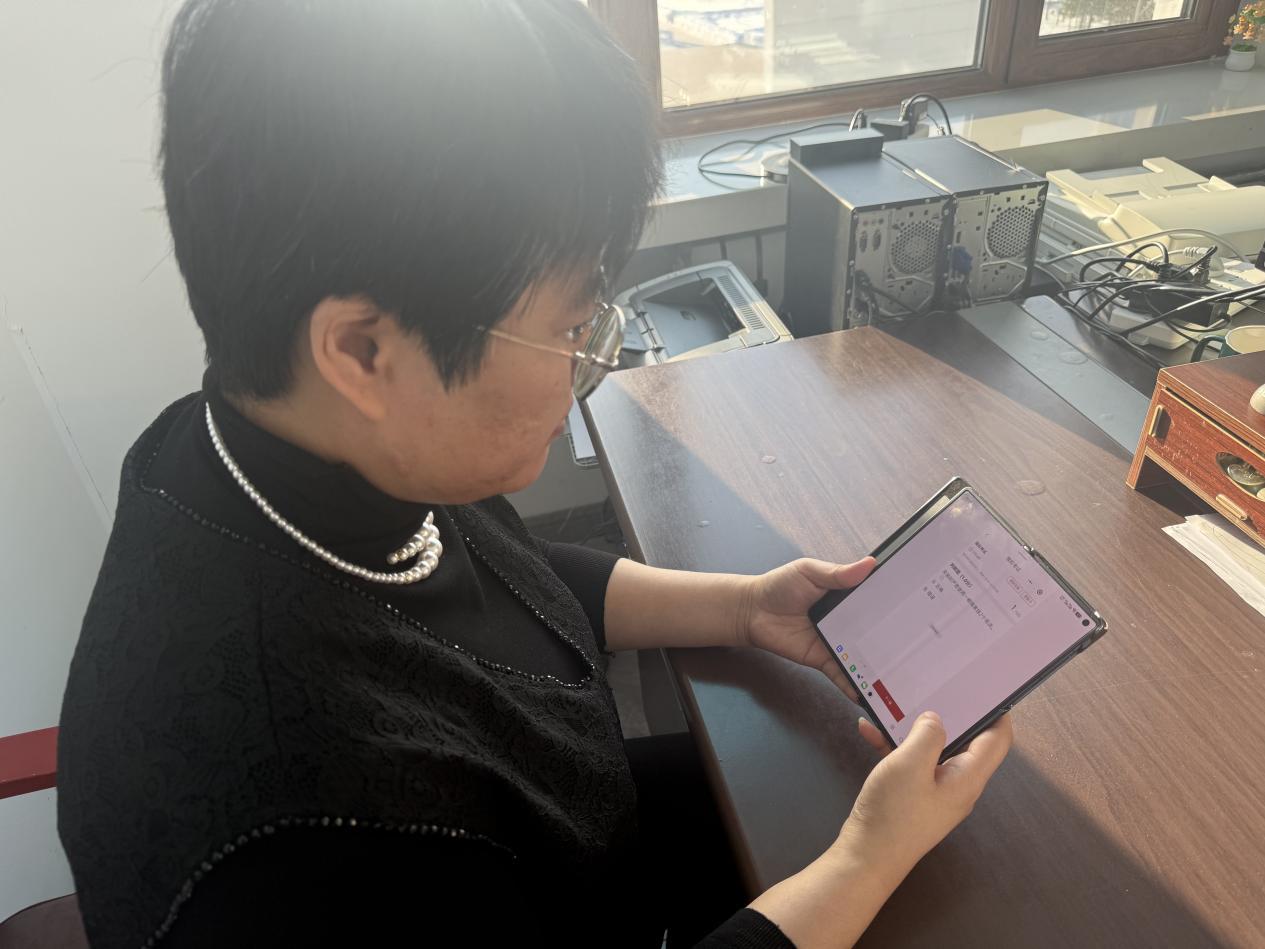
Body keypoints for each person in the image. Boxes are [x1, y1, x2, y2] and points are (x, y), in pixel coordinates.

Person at [55, 1, 1012, 946]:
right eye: (568, 327)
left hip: (570, 839)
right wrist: (867, 857)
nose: (592, 357)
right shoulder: (319, 843)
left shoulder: (258, 448)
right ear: (361, 350)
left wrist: (744, 607)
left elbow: (492, 578)